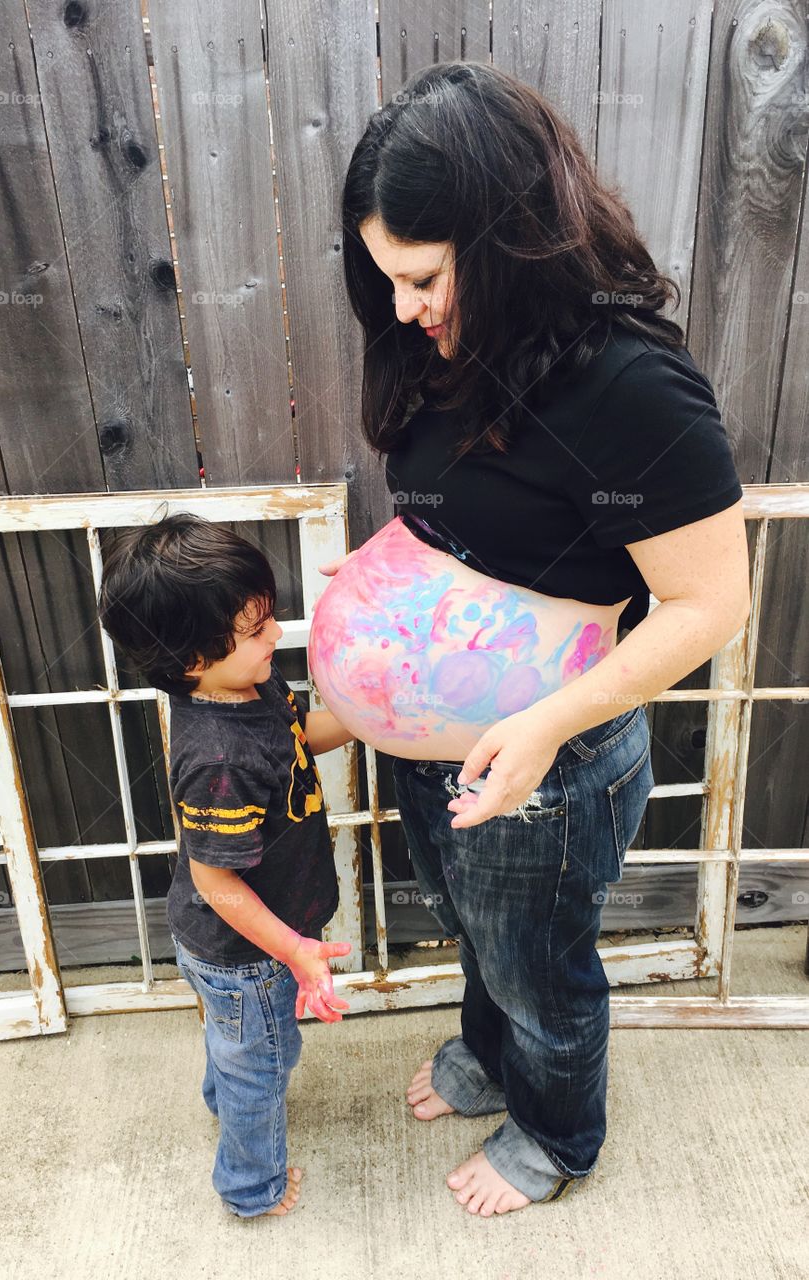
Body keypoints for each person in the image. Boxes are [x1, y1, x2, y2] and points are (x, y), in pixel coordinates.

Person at [324, 61, 751, 1217]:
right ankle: (486, 1056)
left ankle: (557, 1131)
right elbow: (461, 524)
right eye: (386, 280)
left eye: (422, 277)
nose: (404, 309)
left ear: (509, 242)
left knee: (536, 963)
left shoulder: (634, 388)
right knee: (473, 929)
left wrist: (543, 721)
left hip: (550, 762)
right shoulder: (438, 348)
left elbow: (713, 607)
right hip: (441, 749)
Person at [98, 512, 355, 1218]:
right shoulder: (219, 758)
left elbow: (305, 736)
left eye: (268, 618)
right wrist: (297, 950)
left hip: (234, 948)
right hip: (246, 953)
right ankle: (251, 1189)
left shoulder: (251, 688)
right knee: (262, 1067)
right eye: (255, 630)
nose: (276, 634)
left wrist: (372, 712)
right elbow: (217, 879)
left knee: (236, 1046)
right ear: (190, 659)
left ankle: (222, 1095)